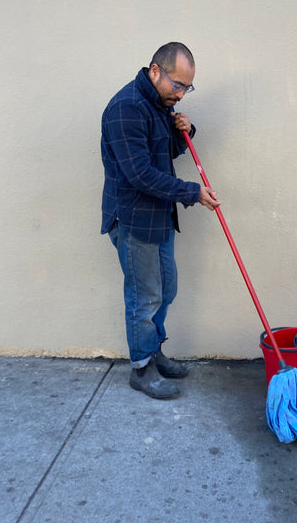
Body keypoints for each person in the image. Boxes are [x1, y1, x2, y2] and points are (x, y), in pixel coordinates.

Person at [101, 42, 220, 400]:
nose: (181, 94)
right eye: (177, 84)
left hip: (159, 217)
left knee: (165, 289)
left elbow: (164, 152)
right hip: (135, 219)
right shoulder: (126, 108)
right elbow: (141, 174)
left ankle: (154, 351)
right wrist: (192, 192)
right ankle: (142, 368)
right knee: (144, 297)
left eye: (187, 87)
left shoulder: (158, 105)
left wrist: (184, 131)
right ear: (155, 71)